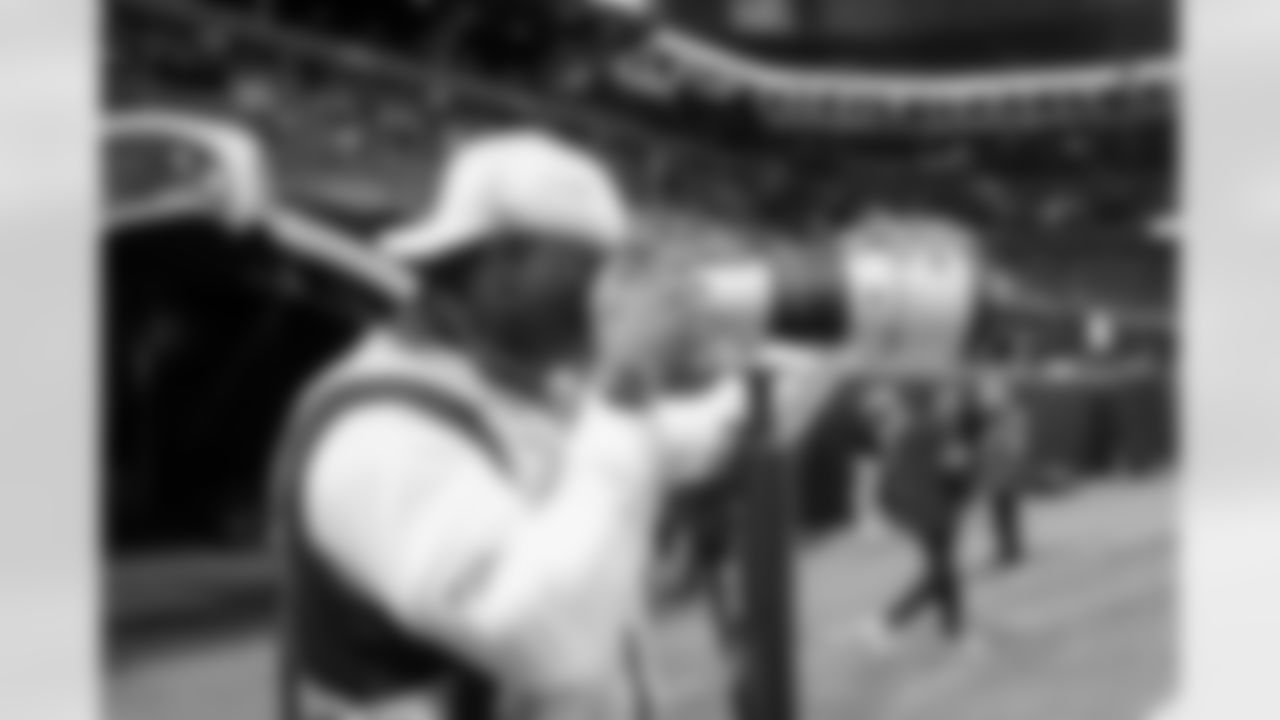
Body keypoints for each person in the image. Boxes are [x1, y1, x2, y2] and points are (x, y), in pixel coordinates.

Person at [271, 130, 755, 720]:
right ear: (502, 265)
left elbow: (678, 443)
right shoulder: (378, 430)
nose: (608, 295)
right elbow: (551, 640)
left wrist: (777, 368)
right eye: (591, 269)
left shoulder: (523, 386)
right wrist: (625, 387)